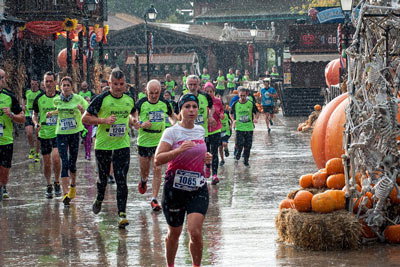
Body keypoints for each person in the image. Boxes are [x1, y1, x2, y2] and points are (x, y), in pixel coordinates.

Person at [154, 93, 212, 267]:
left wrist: (206, 159)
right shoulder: (171, 132)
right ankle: (170, 265)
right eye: (187, 107)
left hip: (198, 189)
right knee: (174, 233)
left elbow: (199, 157)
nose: (191, 110)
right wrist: (178, 151)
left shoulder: (200, 130)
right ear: (180, 110)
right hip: (174, 190)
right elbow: (158, 159)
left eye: (194, 107)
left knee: (195, 232)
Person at [82, 69, 135, 228]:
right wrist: (104, 120)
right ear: (110, 83)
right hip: (103, 145)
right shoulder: (101, 99)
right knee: (103, 179)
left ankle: (122, 214)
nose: (119, 87)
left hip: (122, 145)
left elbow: (132, 114)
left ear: (125, 84)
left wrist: (134, 121)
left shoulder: (129, 99)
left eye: (121, 84)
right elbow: (85, 118)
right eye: (115, 84)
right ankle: (99, 197)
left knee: (121, 179)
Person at [133, 80, 176, 212]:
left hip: (160, 141)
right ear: (146, 92)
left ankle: (154, 199)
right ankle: (143, 180)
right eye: (151, 93)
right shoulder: (141, 103)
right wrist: (140, 122)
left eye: (157, 93)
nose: (154, 96)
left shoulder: (164, 103)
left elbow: (172, 116)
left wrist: (175, 124)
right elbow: (132, 118)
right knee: (145, 170)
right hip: (144, 141)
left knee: (158, 169)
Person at [49, 76, 88, 206]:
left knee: (72, 163)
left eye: (68, 85)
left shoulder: (78, 99)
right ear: (60, 87)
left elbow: (88, 111)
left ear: (72, 87)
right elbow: (58, 110)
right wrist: (52, 113)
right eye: (63, 85)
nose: (65, 87)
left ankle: (73, 186)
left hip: (74, 133)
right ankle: (65, 194)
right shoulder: (56, 100)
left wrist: (82, 110)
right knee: (64, 162)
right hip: (61, 133)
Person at [32, 71, 62, 199]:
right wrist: (35, 123)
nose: (48, 84)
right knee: (46, 162)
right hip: (44, 134)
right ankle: (48, 184)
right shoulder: (39, 98)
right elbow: (34, 114)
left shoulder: (61, 97)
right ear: (43, 83)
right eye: (46, 81)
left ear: (55, 83)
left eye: (51, 81)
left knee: (56, 158)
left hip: (58, 133)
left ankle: (57, 182)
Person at [0, 68, 25, 201]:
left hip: (5, 140)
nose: (2, 80)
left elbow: (23, 118)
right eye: (0, 78)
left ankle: (3, 186)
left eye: (3, 77)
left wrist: (11, 115)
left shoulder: (9, 96)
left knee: (4, 170)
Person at [230, 87, 258, 167]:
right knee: (240, 144)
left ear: (246, 95)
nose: (242, 97)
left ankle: (246, 161)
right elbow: (230, 113)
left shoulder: (250, 103)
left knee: (248, 146)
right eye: (241, 95)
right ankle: (238, 152)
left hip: (249, 127)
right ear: (238, 95)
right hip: (239, 127)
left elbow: (256, 112)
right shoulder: (235, 104)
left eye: (244, 96)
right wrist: (233, 120)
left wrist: (255, 118)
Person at [204, 82, 224, 185]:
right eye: (207, 91)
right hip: (205, 131)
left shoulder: (218, 101)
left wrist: (221, 115)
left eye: (210, 91)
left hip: (216, 129)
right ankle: (207, 167)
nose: (209, 93)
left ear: (213, 91)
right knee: (207, 152)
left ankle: (215, 175)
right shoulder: (202, 101)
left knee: (214, 152)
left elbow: (222, 111)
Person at [23, 79, 42, 161]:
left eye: (35, 84)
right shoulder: (27, 91)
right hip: (28, 114)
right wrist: (23, 105)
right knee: (29, 133)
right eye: (32, 84)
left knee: (38, 135)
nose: (33, 86)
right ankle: (32, 149)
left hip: (37, 116)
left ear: (37, 84)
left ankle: (37, 152)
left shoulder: (40, 93)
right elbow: (23, 98)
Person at [79, 81, 95, 160]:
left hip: (90, 122)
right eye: (83, 85)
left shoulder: (91, 93)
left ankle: (88, 154)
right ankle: (86, 152)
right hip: (81, 122)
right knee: (84, 139)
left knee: (88, 139)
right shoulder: (79, 95)